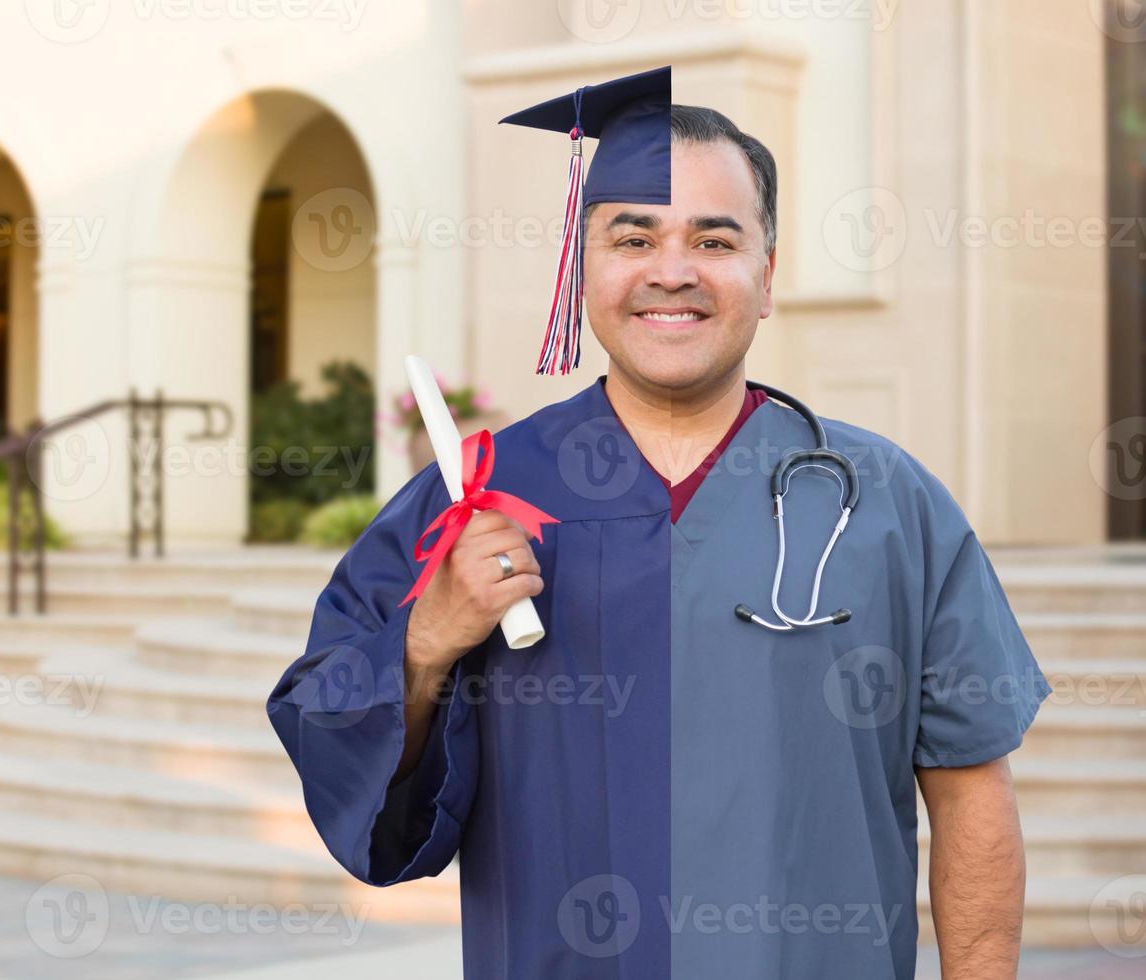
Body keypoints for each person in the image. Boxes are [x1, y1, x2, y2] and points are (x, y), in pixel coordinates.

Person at [265, 65, 1051, 979]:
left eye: (714, 240)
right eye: (631, 237)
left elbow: (969, 788)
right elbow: (328, 733)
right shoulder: (473, 495)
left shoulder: (885, 498)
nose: (670, 272)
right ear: (583, 265)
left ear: (766, 275)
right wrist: (426, 640)